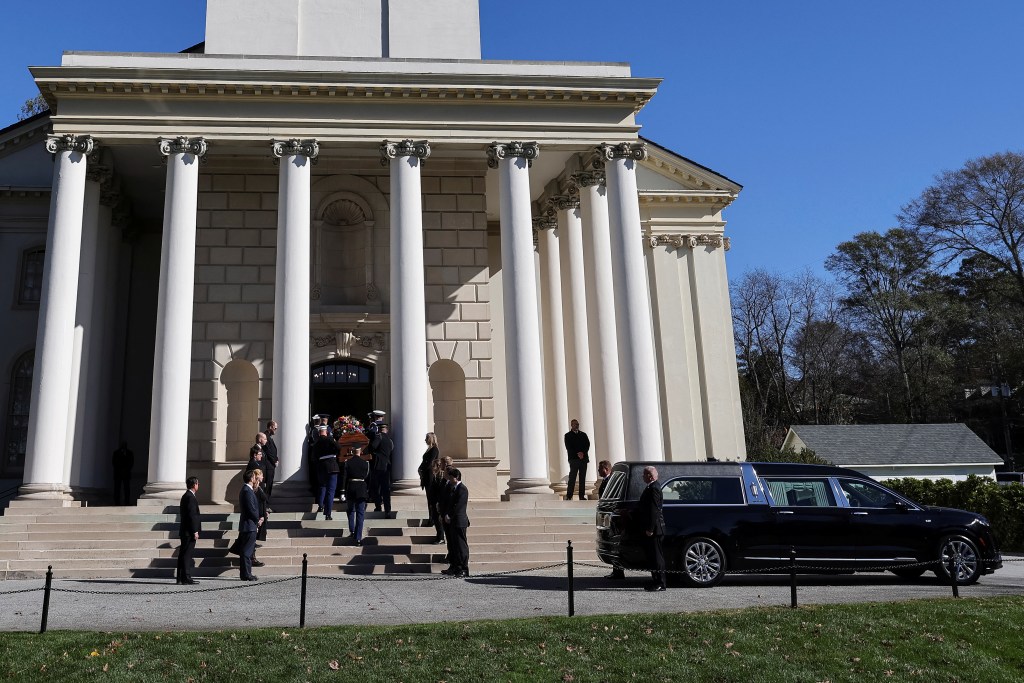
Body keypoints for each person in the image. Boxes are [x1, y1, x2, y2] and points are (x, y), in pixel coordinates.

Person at [638, 465, 666, 592]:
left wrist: (650, 528)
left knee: (657, 557)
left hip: (655, 529)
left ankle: (660, 582)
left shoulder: (654, 488)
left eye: (644, 474)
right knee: (652, 557)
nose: (643, 477)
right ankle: (655, 581)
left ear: (650, 475)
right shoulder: (651, 487)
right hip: (652, 529)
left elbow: (654, 510)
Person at [441, 467, 470, 577]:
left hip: (459, 521)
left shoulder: (462, 489)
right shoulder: (451, 487)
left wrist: (449, 515)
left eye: (450, 477)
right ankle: (455, 566)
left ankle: (463, 568)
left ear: (456, 477)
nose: (449, 479)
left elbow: (459, 506)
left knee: (461, 545)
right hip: (451, 522)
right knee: (453, 545)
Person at [341, 447, 371, 545]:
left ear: (352, 452)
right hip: (361, 489)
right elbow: (367, 477)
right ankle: (358, 538)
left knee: (350, 510)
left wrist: (342, 491)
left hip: (351, 488)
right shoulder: (365, 463)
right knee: (360, 514)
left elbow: (344, 477)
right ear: (361, 452)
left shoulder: (347, 463)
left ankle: (352, 530)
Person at [238, 468, 263, 581]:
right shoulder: (247, 491)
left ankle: (245, 573)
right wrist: (257, 520)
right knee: (247, 551)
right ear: (251, 478)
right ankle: (247, 574)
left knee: (246, 551)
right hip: (249, 525)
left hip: (248, 524)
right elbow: (251, 509)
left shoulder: (246, 490)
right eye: (254, 476)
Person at [176, 476, 201, 585]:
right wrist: (195, 531)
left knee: (183, 554)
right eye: (198, 484)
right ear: (194, 485)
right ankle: (186, 577)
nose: (198, 486)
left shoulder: (186, 496)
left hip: (185, 531)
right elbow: (192, 516)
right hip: (189, 531)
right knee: (186, 555)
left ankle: (181, 577)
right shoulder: (190, 497)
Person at [313, 424, 340, 519]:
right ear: (326, 432)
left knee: (322, 486)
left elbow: (314, 457)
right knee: (331, 490)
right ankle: (328, 513)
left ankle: (320, 505)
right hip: (332, 466)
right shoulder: (330, 439)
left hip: (321, 466)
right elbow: (338, 447)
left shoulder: (316, 443)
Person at [564, 419, 591, 501]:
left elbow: (587, 444)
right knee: (572, 478)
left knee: (582, 478)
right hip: (574, 459)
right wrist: (577, 453)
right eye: (575, 424)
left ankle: (581, 496)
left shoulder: (583, 435)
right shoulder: (568, 435)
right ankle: (569, 496)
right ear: (571, 425)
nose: (577, 425)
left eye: (577, 424)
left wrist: (582, 453)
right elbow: (569, 447)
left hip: (583, 459)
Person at [428, 454, 452, 545]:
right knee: (436, 520)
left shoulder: (442, 476)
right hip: (435, 501)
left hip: (439, 502)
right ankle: (439, 536)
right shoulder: (438, 475)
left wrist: (438, 502)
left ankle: (441, 538)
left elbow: (441, 490)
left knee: (439, 521)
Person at [370, 423, 394, 515]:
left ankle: (378, 506)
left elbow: (373, 447)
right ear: (386, 430)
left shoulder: (378, 437)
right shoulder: (390, 440)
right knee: (386, 489)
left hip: (379, 466)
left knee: (375, 487)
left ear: (379, 430)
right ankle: (387, 509)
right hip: (387, 466)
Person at [251, 468, 268, 568]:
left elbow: (262, 502)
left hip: (261, 515)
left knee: (254, 538)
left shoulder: (259, 487)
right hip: (258, 517)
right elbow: (257, 504)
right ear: (257, 476)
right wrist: (260, 517)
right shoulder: (255, 489)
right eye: (261, 475)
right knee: (253, 538)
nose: (263, 477)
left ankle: (252, 557)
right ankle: (252, 558)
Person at [112, 441, 134, 505]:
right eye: (122, 445)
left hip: (126, 473)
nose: (123, 446)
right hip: (118, 473)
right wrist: (120, 469)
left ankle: (127, 502)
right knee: (117, 489)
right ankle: (117, 502)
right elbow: (114, 463)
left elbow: (131, 462)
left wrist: (126, 469)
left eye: (124, 445)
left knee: (126, 489)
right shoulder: (116, 453)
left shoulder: (130, 453)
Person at [262, 420, 279, 500]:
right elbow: (268, 451)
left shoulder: (269, 437)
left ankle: (266, 505)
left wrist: (276, 459)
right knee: (267, 487)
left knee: (269, 486)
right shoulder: (266, 437)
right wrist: (274, 461)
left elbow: (272, 451)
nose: (276, 430)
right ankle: (265, 506)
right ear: (270, 427)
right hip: (268, 465)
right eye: (275, 428)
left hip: (271, 465)